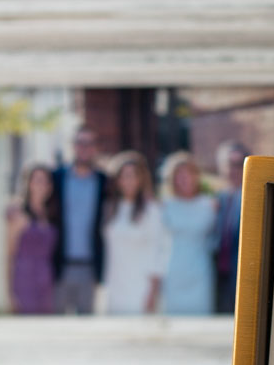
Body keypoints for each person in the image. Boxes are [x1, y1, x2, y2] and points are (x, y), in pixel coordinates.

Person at [103, 151, 167, 315]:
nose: (128, 181)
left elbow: (159, 252)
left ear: (141, 179)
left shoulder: (152, 210)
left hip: (141, 287)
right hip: (115, 286)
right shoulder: (109, 209)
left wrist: (153, 292)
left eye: (133, 176)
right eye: (124, 176)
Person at [52, 124, 106, 314]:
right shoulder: (57, 177)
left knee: (87, 333)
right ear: (73, 146)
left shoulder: (103, 181)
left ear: (95, 147)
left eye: (89, 143)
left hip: (89, 269)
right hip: (59, 268)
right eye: (80, 142)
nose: (84, 147)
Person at [161, 152, 217, 315]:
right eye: (179, 175)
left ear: (196, 176)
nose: (184, 179)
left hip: (201, 271)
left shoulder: (209, 205)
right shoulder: (165, 206)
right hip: (174, 270)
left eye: (188, 174)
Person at [6, 163, 58, 314]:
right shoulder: (18, 214)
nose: (42, 185)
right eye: (37, 180)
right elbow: (9, 256)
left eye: (46, 181)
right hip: (24, 281)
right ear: (28, 184)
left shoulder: (50, 214)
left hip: (47, 281)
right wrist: (9, 295)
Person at [214, 142, 247, 314]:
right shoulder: (219, 197)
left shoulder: (253, 197)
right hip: (219, 276)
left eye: (238, 164)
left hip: (242, 277)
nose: (233, 170)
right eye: (229, 164)